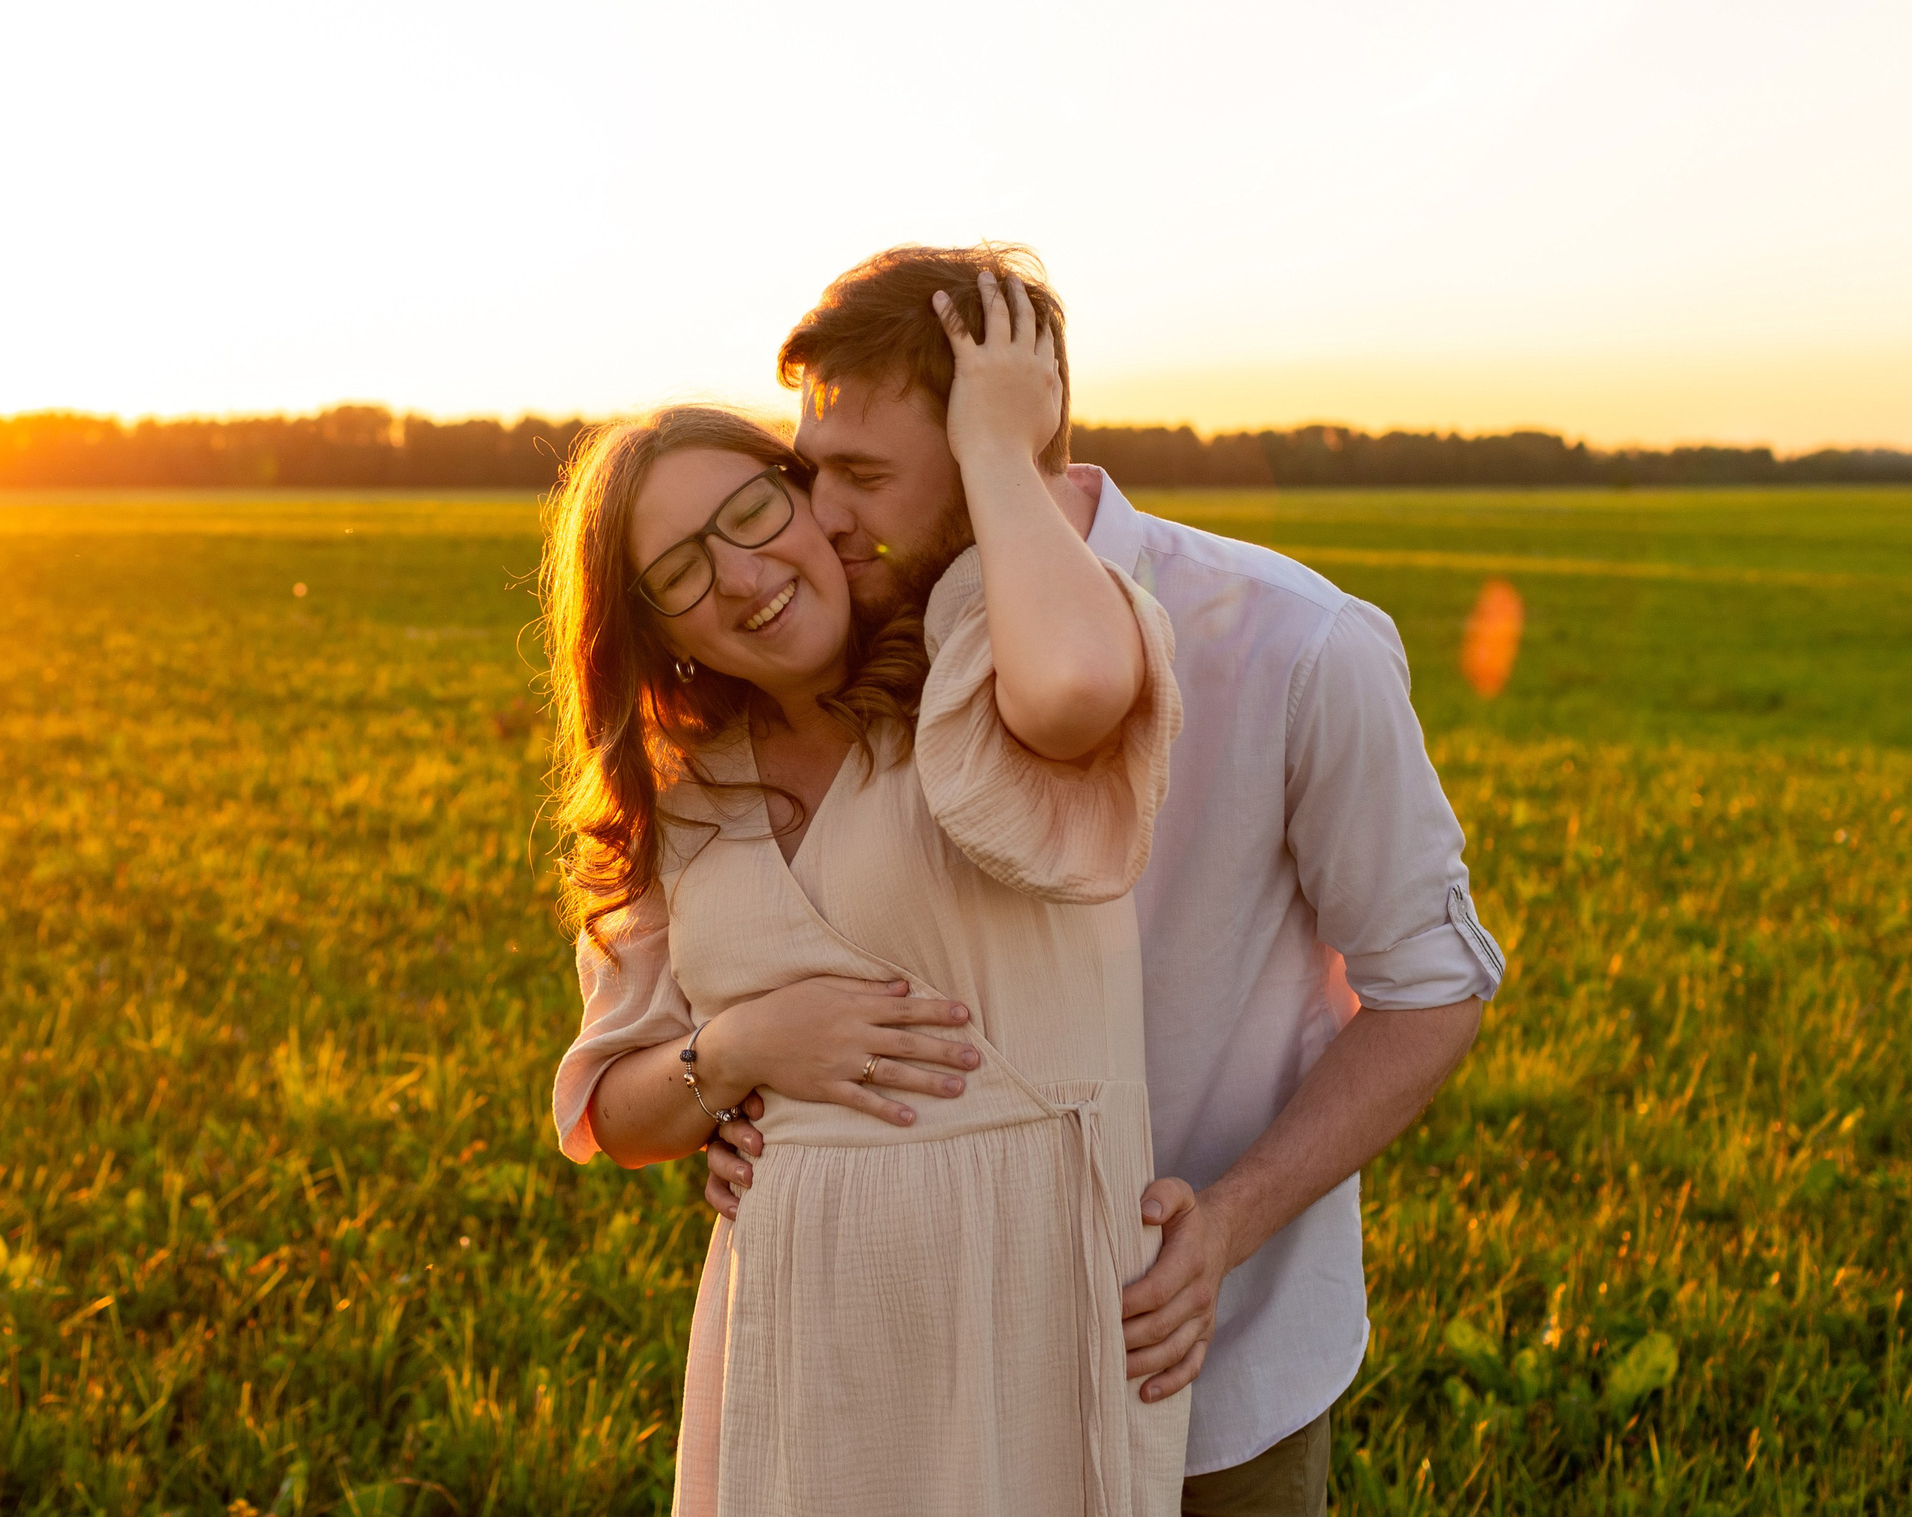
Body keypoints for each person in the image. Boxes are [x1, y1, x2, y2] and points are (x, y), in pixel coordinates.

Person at [694, 242, 1505, 1515]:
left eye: (862, 474)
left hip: (1195, 1350)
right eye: (810, 472)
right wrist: (754, 1102)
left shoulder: (1301, 644)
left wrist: (1229, 1224)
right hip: (939, 1381)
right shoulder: (856, 655)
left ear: (1002, 439)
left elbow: (1432, 991)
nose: (823, 517)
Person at [544, 274, 1190, 1514]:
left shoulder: (974, 664)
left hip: (1027, 1299)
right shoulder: (683, 793)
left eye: (751, 510)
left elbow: (1072, 697)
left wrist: (996, 443)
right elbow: (616, 1112)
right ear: (651, 627)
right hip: (797, 1330)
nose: (739, 577)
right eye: (678, 571)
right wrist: (732, 1049)